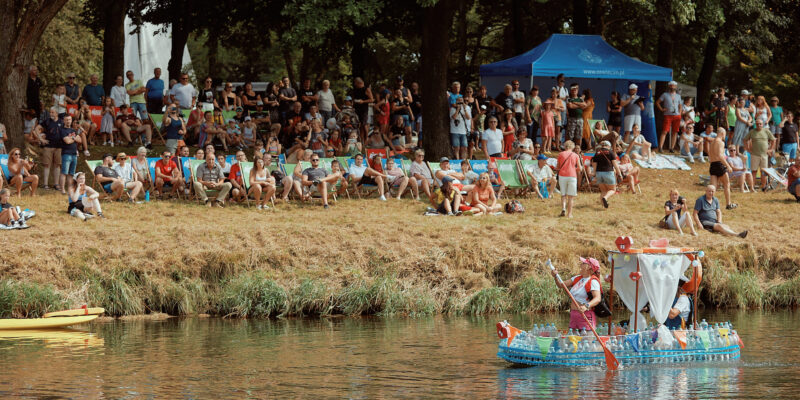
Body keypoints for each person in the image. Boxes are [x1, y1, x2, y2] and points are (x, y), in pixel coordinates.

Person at [549, 257, 602, 330]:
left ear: (589, 267)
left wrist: (586, 306)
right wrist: (555, 276)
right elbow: (561, 285)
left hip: (585, 315)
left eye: (583, 263)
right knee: (573, 340)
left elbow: (597, 298)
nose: (581, 265)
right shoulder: (577, 278)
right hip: (574, 315)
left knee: (587, 340)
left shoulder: (593, 281)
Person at [708, 127, 737, 209]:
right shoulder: (720, 142)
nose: (725, 136)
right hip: (719, 164)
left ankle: (709, 204)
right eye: (725, 134)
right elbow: (720, 155)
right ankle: (728, 204)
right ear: (722, 133)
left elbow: (710, 154)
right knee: (726, 184)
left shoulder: (713, 142)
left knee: (713, 187)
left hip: (712, 164)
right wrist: (728, 166)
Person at [743, 118, 776, 190]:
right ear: (755, 124)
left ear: (763, 124)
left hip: (764, 155)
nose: (759, 125)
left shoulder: (767, 131)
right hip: (754, 154)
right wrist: (747, 149)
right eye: (757, 124)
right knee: (754, 171)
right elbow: (745, 140)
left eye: (760, 124)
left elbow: (773, 140)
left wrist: (770, 149)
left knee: (763, 172)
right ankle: (752, 187)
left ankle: (763, 187)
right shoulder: (752, 131)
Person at [591, 141, 621, 209]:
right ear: (608, 146)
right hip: (608, 172)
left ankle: (604, 206)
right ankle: (605, 198)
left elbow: (594, 165)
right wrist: (619, 173)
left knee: (603, 190)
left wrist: (594, 173)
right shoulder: (611, 152)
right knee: (613, 189)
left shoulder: (597, 153)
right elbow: (615, 165)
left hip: (599, 173)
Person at [556, 140, 581, 217]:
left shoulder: (560, 154)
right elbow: (580, 168)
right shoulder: (576, 155)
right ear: (572, 147)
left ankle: (563, 208)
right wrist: (574, 169)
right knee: (571, 197)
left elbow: (558, 167)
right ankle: (569, 214)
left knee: (563, 194)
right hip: (572, 176)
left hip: (562, 175)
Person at [656, 81, 683, 152]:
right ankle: (660, 147)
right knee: (665, 131)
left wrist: (679, 113)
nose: (672, 87)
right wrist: (662, 109)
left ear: (676, 87)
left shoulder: (678, 96)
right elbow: (657, 102)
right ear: (669, 86)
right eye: (671, 86)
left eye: (674, 86)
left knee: (675, 132)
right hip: (667, 115)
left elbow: (680, 105)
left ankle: (672, 148)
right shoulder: (665, 94)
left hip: (677, 116)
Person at [40, 108, 62, 190]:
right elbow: (36, 129)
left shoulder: (61, 122)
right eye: (50, 112)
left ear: (57, 113)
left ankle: (56, 184)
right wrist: (41, 139)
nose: (51, 114)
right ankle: (45, 184)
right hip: (48, 146)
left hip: (59, 147)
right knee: (47, 165)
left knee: (57, 165)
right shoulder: (47, 121)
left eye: (53, 112)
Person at [58, 115, 80, 194]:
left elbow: (80, 140)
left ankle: (69, 189)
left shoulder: (73, 130)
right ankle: (62, 189)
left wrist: (72, 138)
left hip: (74, 154)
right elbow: (67, 141)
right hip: (66, 154)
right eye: (66, 120)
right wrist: (74, 138)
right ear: (64, 121)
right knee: (64, 172)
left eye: (70, 119)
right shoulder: (62, 130)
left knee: (71, 173)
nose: (68, 121)